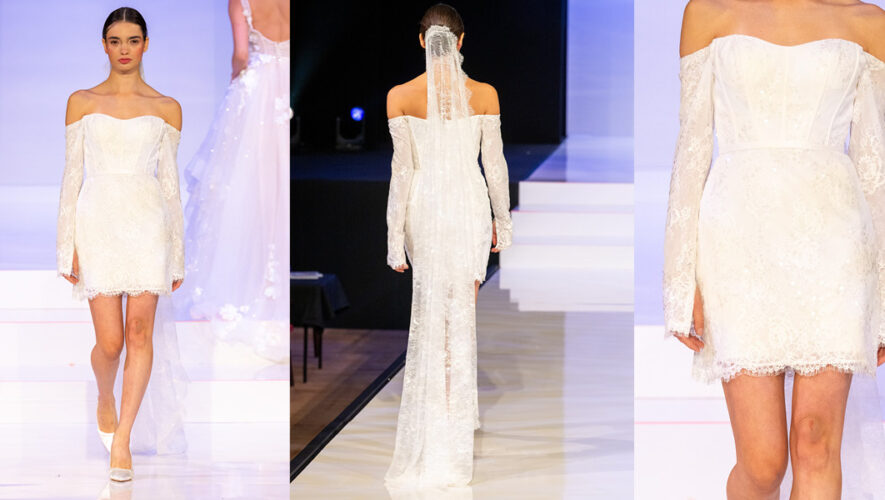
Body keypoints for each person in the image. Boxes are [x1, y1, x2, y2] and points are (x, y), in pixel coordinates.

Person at [664, 1, 885, 497]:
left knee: (815, 441)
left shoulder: (868, 23)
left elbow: (876, 165)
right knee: (763, 463)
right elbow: (692, 149)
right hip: (739, 246)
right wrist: (681, 277)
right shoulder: (709, 12)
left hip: (837, 246)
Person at [384, 3, 513, 489]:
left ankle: (440, 422)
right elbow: (494, 165)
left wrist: (394, 238)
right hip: (467, 207)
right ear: (460, 41)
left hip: (425, 208)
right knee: (460, 316)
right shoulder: (485, 94)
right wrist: (502, 221)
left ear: (422, 41)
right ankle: (452, 425)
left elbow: (401, 173)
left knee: (433, 312)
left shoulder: (399, 96)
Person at [57, 7, 185, 482]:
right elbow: (72, 177)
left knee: (139, 334)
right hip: (98, 222)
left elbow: (170, 186)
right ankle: (104, 395)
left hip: (148, 223)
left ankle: (123, 441)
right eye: (116, 40)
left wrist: (177, 252)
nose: (124, 49)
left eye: (133, 40)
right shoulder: (81, 102)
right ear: (104, 45)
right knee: (110, 344)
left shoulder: (167, 107)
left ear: (146, 44)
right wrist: (66, 244)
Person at [178, 0, 290, 362]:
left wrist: (234, 81)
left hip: (259, 93)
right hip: (286, 88)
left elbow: (241, 55)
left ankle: (253, 283)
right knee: (280, 187)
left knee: (251, 190)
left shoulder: (241, 1)